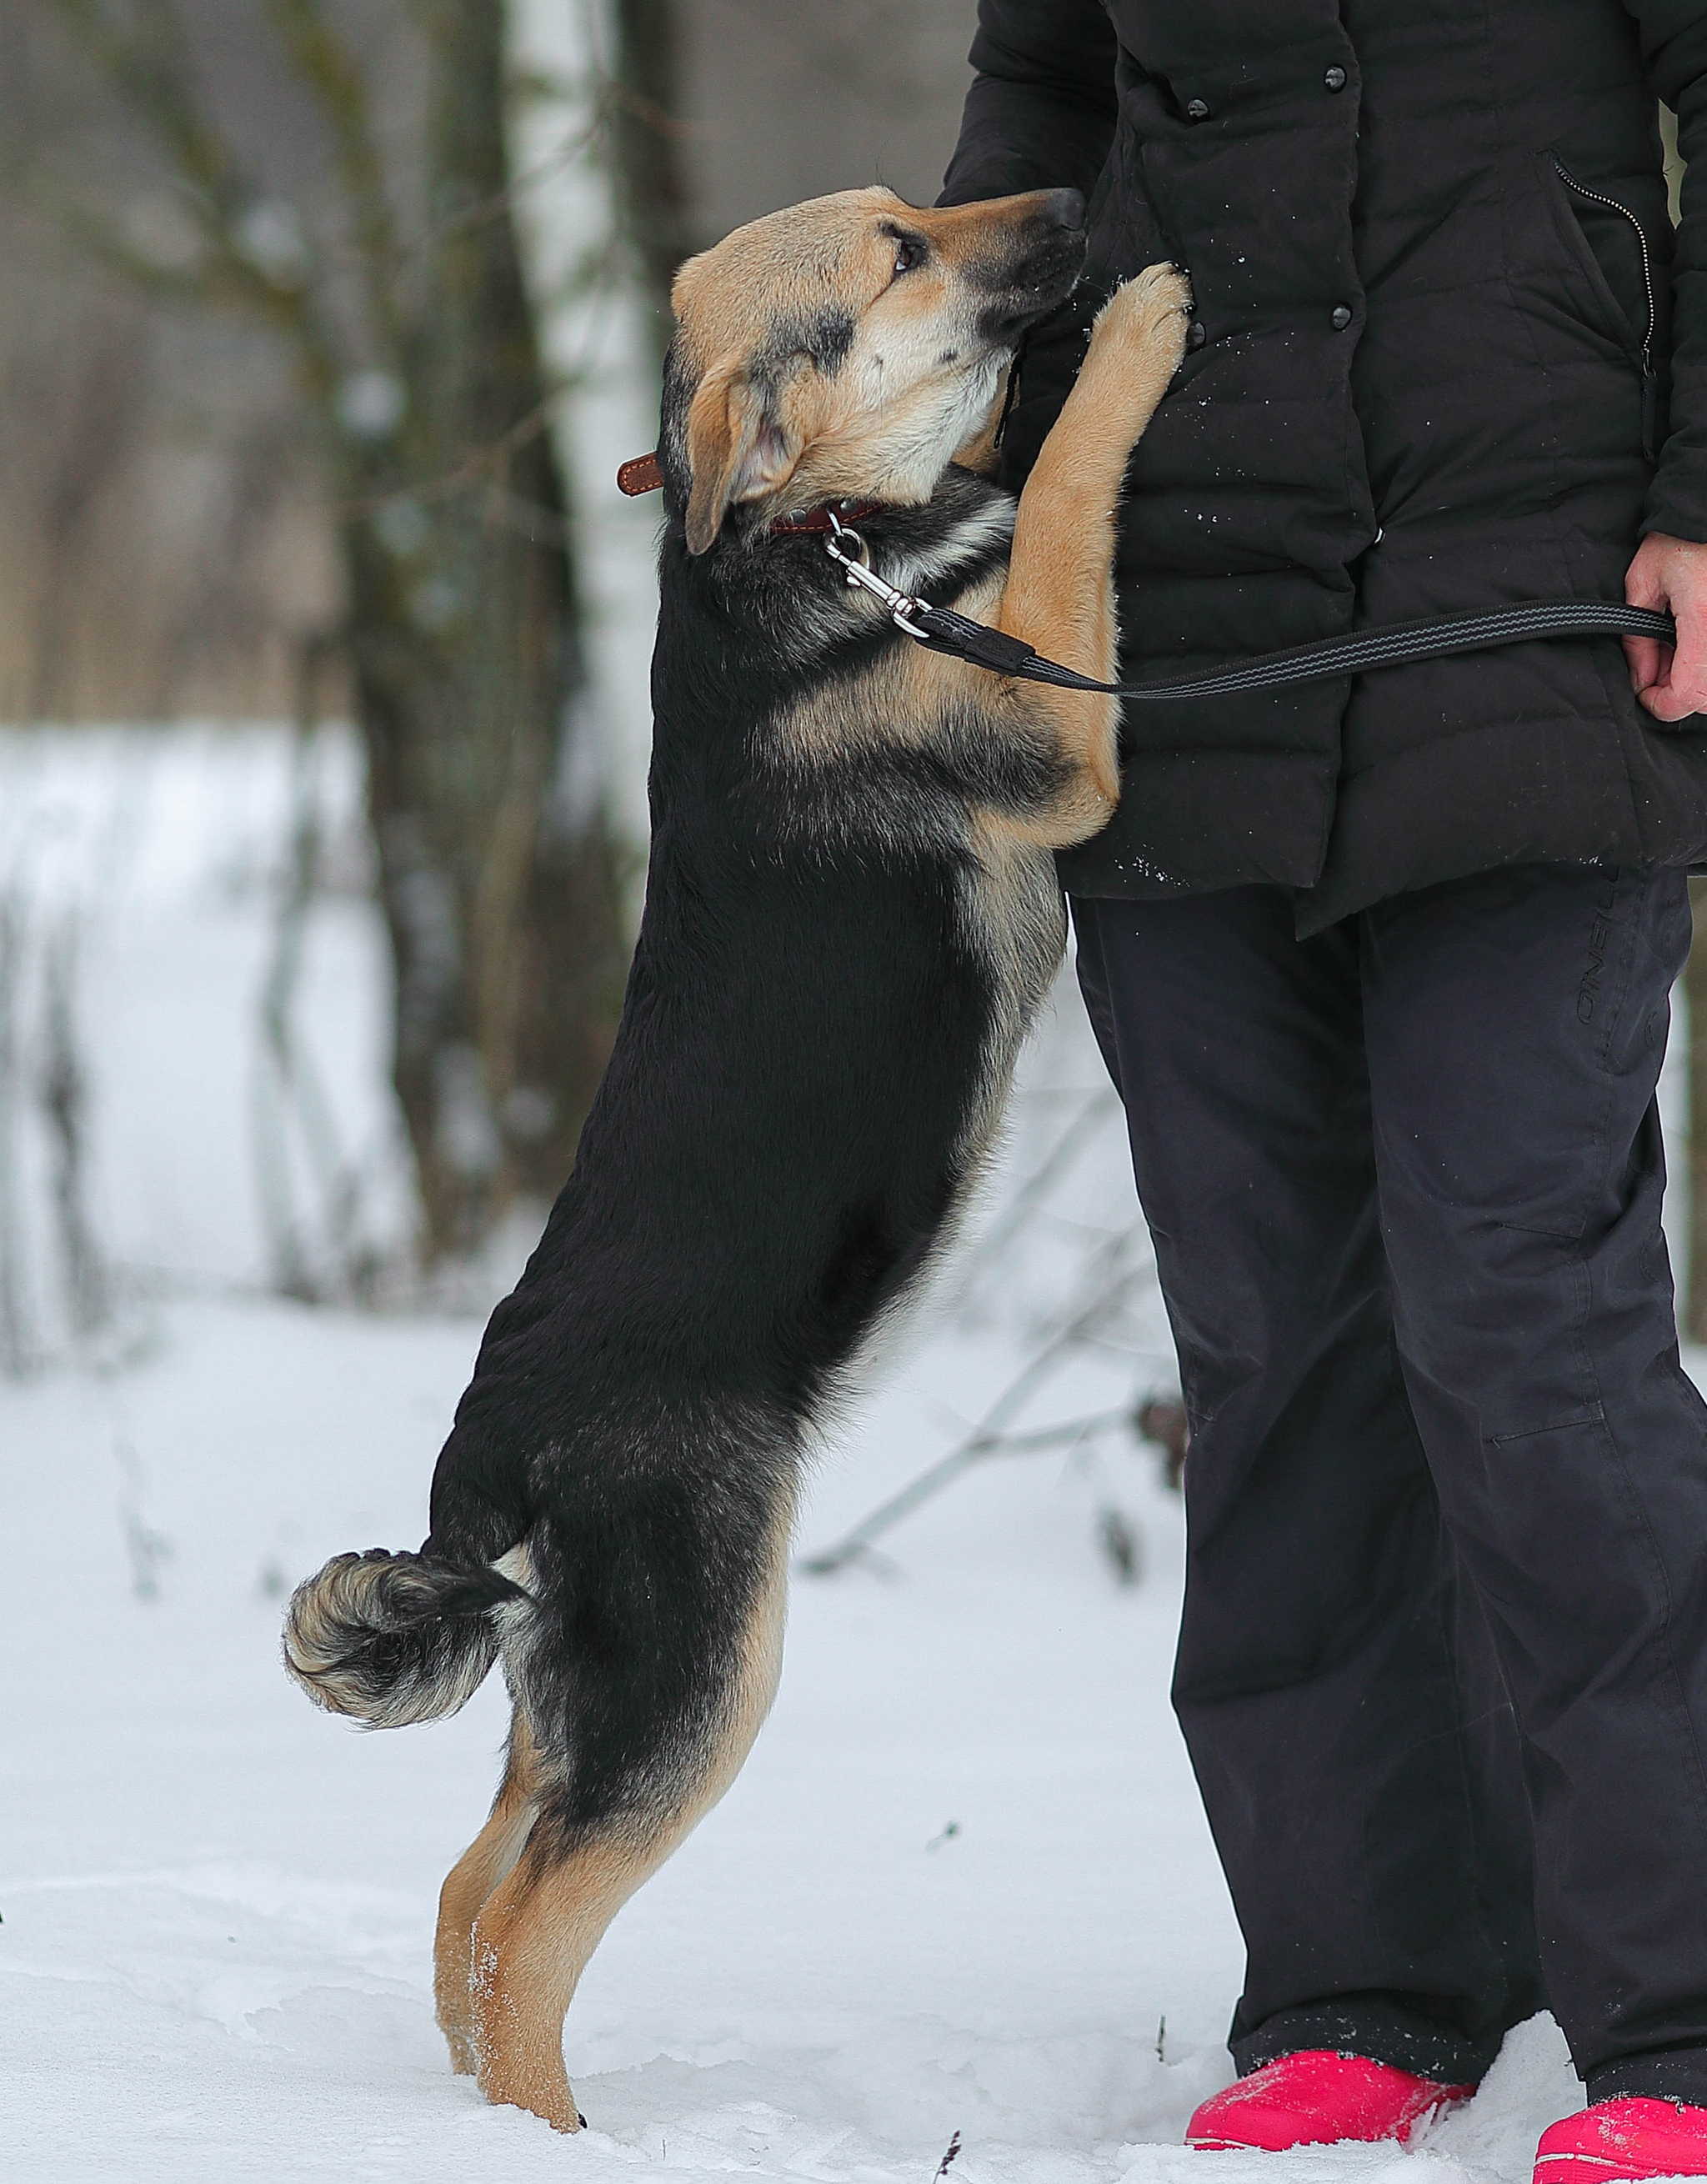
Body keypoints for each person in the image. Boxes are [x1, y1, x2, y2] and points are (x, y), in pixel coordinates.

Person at [938, 5, 1707, 2178]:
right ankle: (1370, 1973)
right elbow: (1047, 96)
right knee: (1274, 1330)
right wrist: (981, 433)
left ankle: (1687, 2003)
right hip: (1176, 627)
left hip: (1541, 595)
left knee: (1523, 1311)